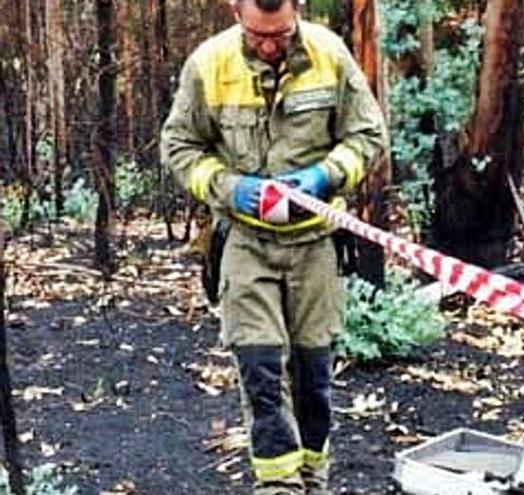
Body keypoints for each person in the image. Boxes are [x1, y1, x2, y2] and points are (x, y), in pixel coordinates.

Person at [160, 0, 387, 493]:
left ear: (298, 11)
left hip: (315, 245)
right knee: (261, 374)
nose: (269, 45)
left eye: (281, 34)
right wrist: (228, 187)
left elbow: (369, 134)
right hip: (245, 242)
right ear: (235, 9)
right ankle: (278, 487)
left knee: (314, 379)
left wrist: (325, 176)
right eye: (258, 34)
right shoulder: (209, 63)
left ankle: (313, 479)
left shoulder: (330, 55)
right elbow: (178, 146)